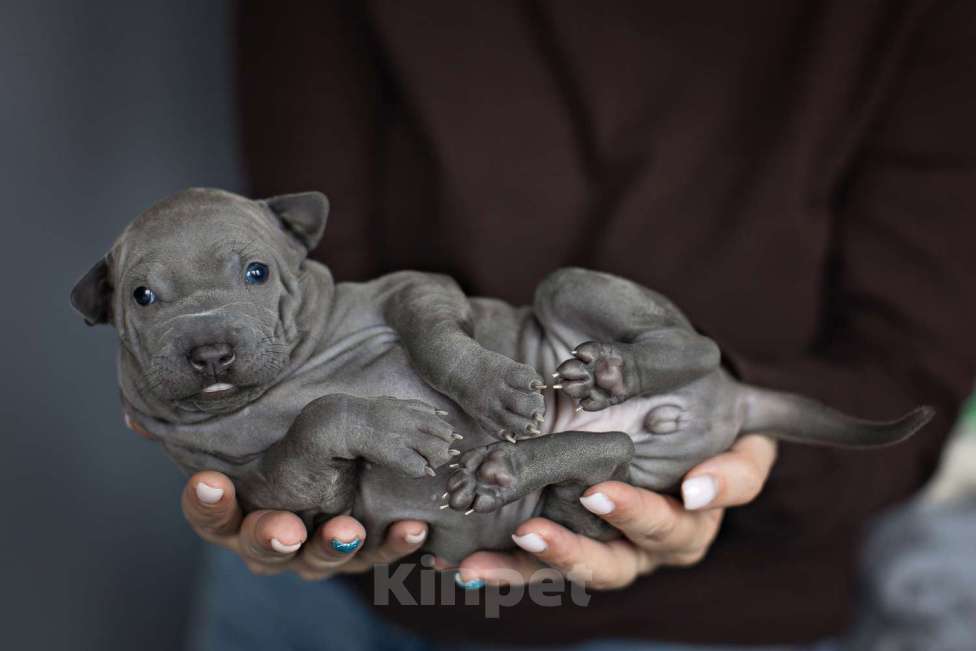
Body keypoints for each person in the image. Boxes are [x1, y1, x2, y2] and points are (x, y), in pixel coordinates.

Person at [180, 2, 976, 649]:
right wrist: (255, 436)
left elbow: (907, 377)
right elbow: (316, 281)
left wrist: (727, 460)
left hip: (714, 611)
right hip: (361, 584)